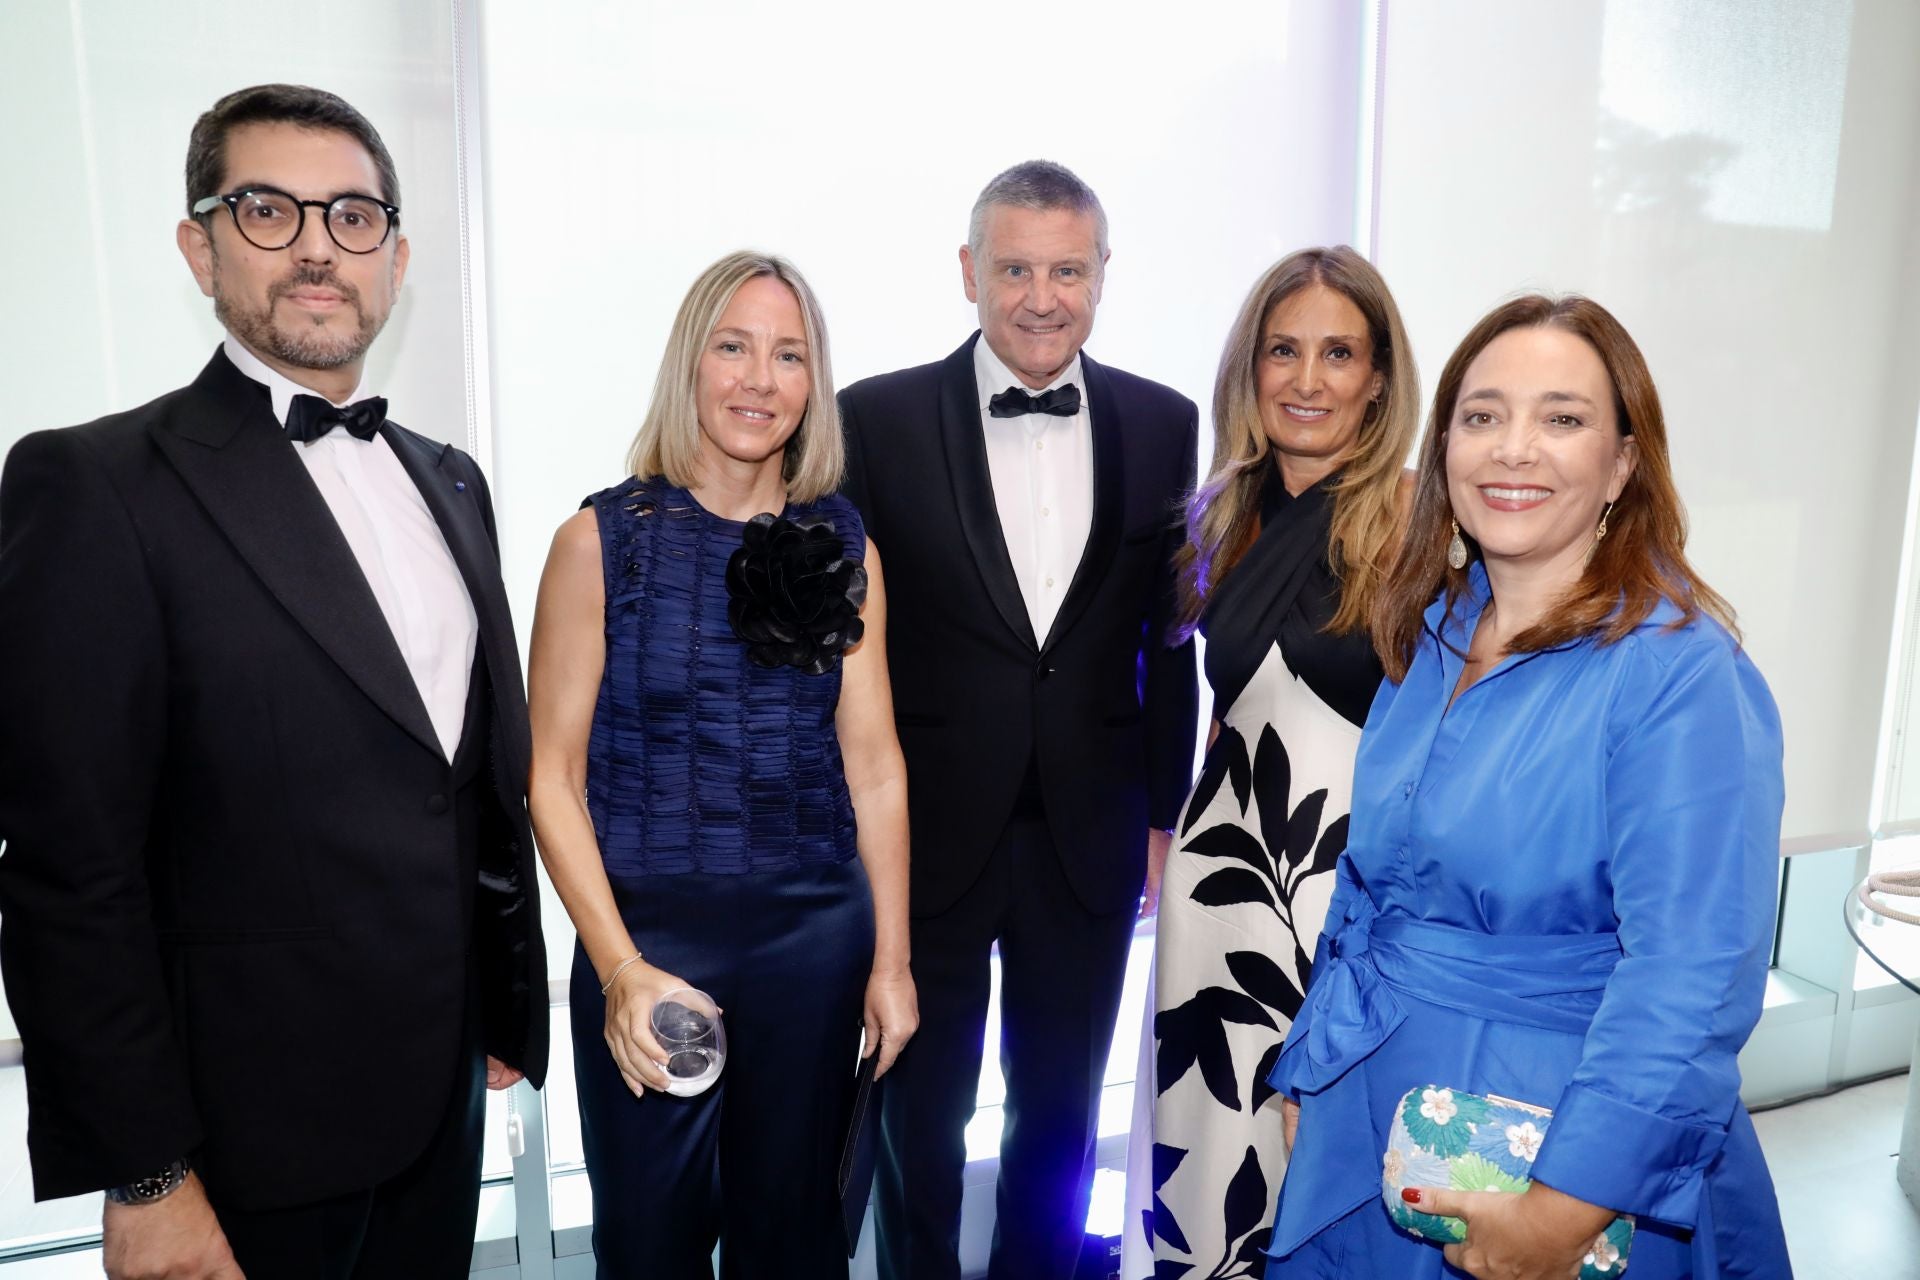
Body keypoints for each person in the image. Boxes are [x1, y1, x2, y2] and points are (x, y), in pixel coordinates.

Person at [0, 84, 547, 1278]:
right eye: (267, 208)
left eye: (352, 215)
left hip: (440, 1107)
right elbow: (68, 869)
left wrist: (504, 1014)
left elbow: (467, 785)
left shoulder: (453, 481)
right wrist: (145, 1171)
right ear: (199, 245)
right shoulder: (93, 485)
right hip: (241, 1145)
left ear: (395, 259)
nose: (315, 244)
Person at [1266, 295, 1789, 1278]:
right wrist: (1315, 1059)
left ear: (1623, 463)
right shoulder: (1436, 625)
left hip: (1557, 1147)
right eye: (1482, 415)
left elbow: (1692, 969)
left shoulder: (1679, 671)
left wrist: (1562, 1209)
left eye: (1562, 418)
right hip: (1377, 1105)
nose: (1513, 449)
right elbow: (1373, 879)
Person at [840, 160, 1200, 1279]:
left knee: (1054, 1116)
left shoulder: (1163, 419)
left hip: (1089, 836)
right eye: (1014, 269)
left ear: (1101, 276)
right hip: (927, 835)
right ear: (968, 273)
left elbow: (1170, 640)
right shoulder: (875, 418)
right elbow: (846, 656)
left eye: (1067, 270)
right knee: (921, 1117)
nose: (1041, 297)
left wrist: (1163, 817)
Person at [526, 250, 917, 1278]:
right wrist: (616, 966)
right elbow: (551, 780)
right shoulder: (598, 541)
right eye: (733, 347)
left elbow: (873, 767)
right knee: (648, 1247)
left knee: (794, 1242)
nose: (760, 378)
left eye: (789, 355)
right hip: (651, 942)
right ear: (690, 366)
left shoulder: (847, 546)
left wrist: (891, 962)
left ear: (812, 382)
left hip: (814, 942)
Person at [1119, 246, 1418, 1277]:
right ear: (1251, 368)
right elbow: (1228, 713)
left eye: (1339, 353)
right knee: (1213, 1154)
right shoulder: (1220, 515)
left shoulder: (1423, 524)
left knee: (1330, 1161)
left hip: (1349, 893)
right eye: (1283, 350)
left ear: (1379, 375)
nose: (1307, 378)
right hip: (1221, 891)